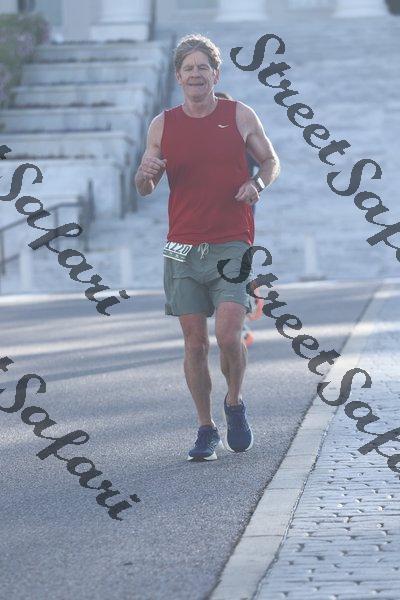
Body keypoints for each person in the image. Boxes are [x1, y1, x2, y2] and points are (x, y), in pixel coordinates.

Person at [134, 34, 280, 462]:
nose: (196, 74)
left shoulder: (239, 115)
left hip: (231, 241)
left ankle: (234, 402)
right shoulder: (162, 124)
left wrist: (256, 183)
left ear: (215, 74)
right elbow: (144, 187)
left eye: (203, 67)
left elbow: (271, 161)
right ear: (178, 76)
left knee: (230, 336)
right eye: (188, 68)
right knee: (195, 344)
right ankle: (205, 427)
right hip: (181, 248)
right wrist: (144, 173)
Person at [215, 91, 264, 348]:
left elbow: (268, 163)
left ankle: (241, 319)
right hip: (204, 218)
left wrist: (255, 183)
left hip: (238, 219)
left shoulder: (244, 138)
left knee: (234, 270)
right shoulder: (197, 140)